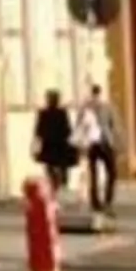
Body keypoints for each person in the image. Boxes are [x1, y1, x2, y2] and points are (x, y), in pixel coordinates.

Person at [74, 85, 121, 214]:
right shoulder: (107, 106)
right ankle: (107, 201)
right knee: (112, 173)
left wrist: (79, 145)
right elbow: (114, 125)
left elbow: (79, 126)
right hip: (105, 142)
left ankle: (95, 202)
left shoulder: (85, 107)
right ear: (100, 93)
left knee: (93, 173)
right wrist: (117, 144)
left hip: (91, 143)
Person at [31, 90, 78, 196]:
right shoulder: (62, 113)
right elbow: (68, 129)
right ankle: (62, 184)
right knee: (63, 165)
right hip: (61, 144)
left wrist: (39, 140)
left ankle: (54, 183)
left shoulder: (43, 113)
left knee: (49, 165)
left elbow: (38, 130)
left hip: (48, 144)